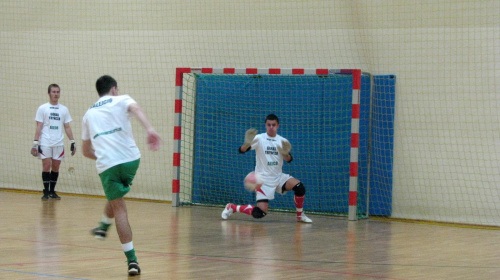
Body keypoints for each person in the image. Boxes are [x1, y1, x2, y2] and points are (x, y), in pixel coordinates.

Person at [82, 75, 161, 276]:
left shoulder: (88, 114)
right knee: (116, 195)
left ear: (99, 92)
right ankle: (102, 226)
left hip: (107, 165)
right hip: (130, 160)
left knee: (120, 208)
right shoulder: (122, 99)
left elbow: (85, 151)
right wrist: (150, 129)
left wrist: (103, 157)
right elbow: (136, 109)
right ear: (114, 89)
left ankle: (132, 261)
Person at [222, 113, 312, 223]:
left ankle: (300, 215)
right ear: (265, 125)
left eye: (273, 125)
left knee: (299, 187)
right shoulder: (259, 138)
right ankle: (232, 207)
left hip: (278, 177)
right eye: (269, 125)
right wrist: (246, 144)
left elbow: (289, 160)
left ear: (277, 125)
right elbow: (241, 150)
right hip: (262, 181)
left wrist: (285, 153)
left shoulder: (282, 141)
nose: (271, 127)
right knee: (260, 213)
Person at [31, 84, 76, 200]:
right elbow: (39, 126)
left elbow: (67, 127)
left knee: (56, 167)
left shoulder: (64, 109)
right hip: (45, 142)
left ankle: (52, 191)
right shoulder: (42, 108)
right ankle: (45, 191)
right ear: (49, 93)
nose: (56, 94)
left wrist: (72, 141)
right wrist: (35, 143)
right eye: (53, 92)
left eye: (57, 92)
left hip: (59, 143)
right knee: (46, 166)